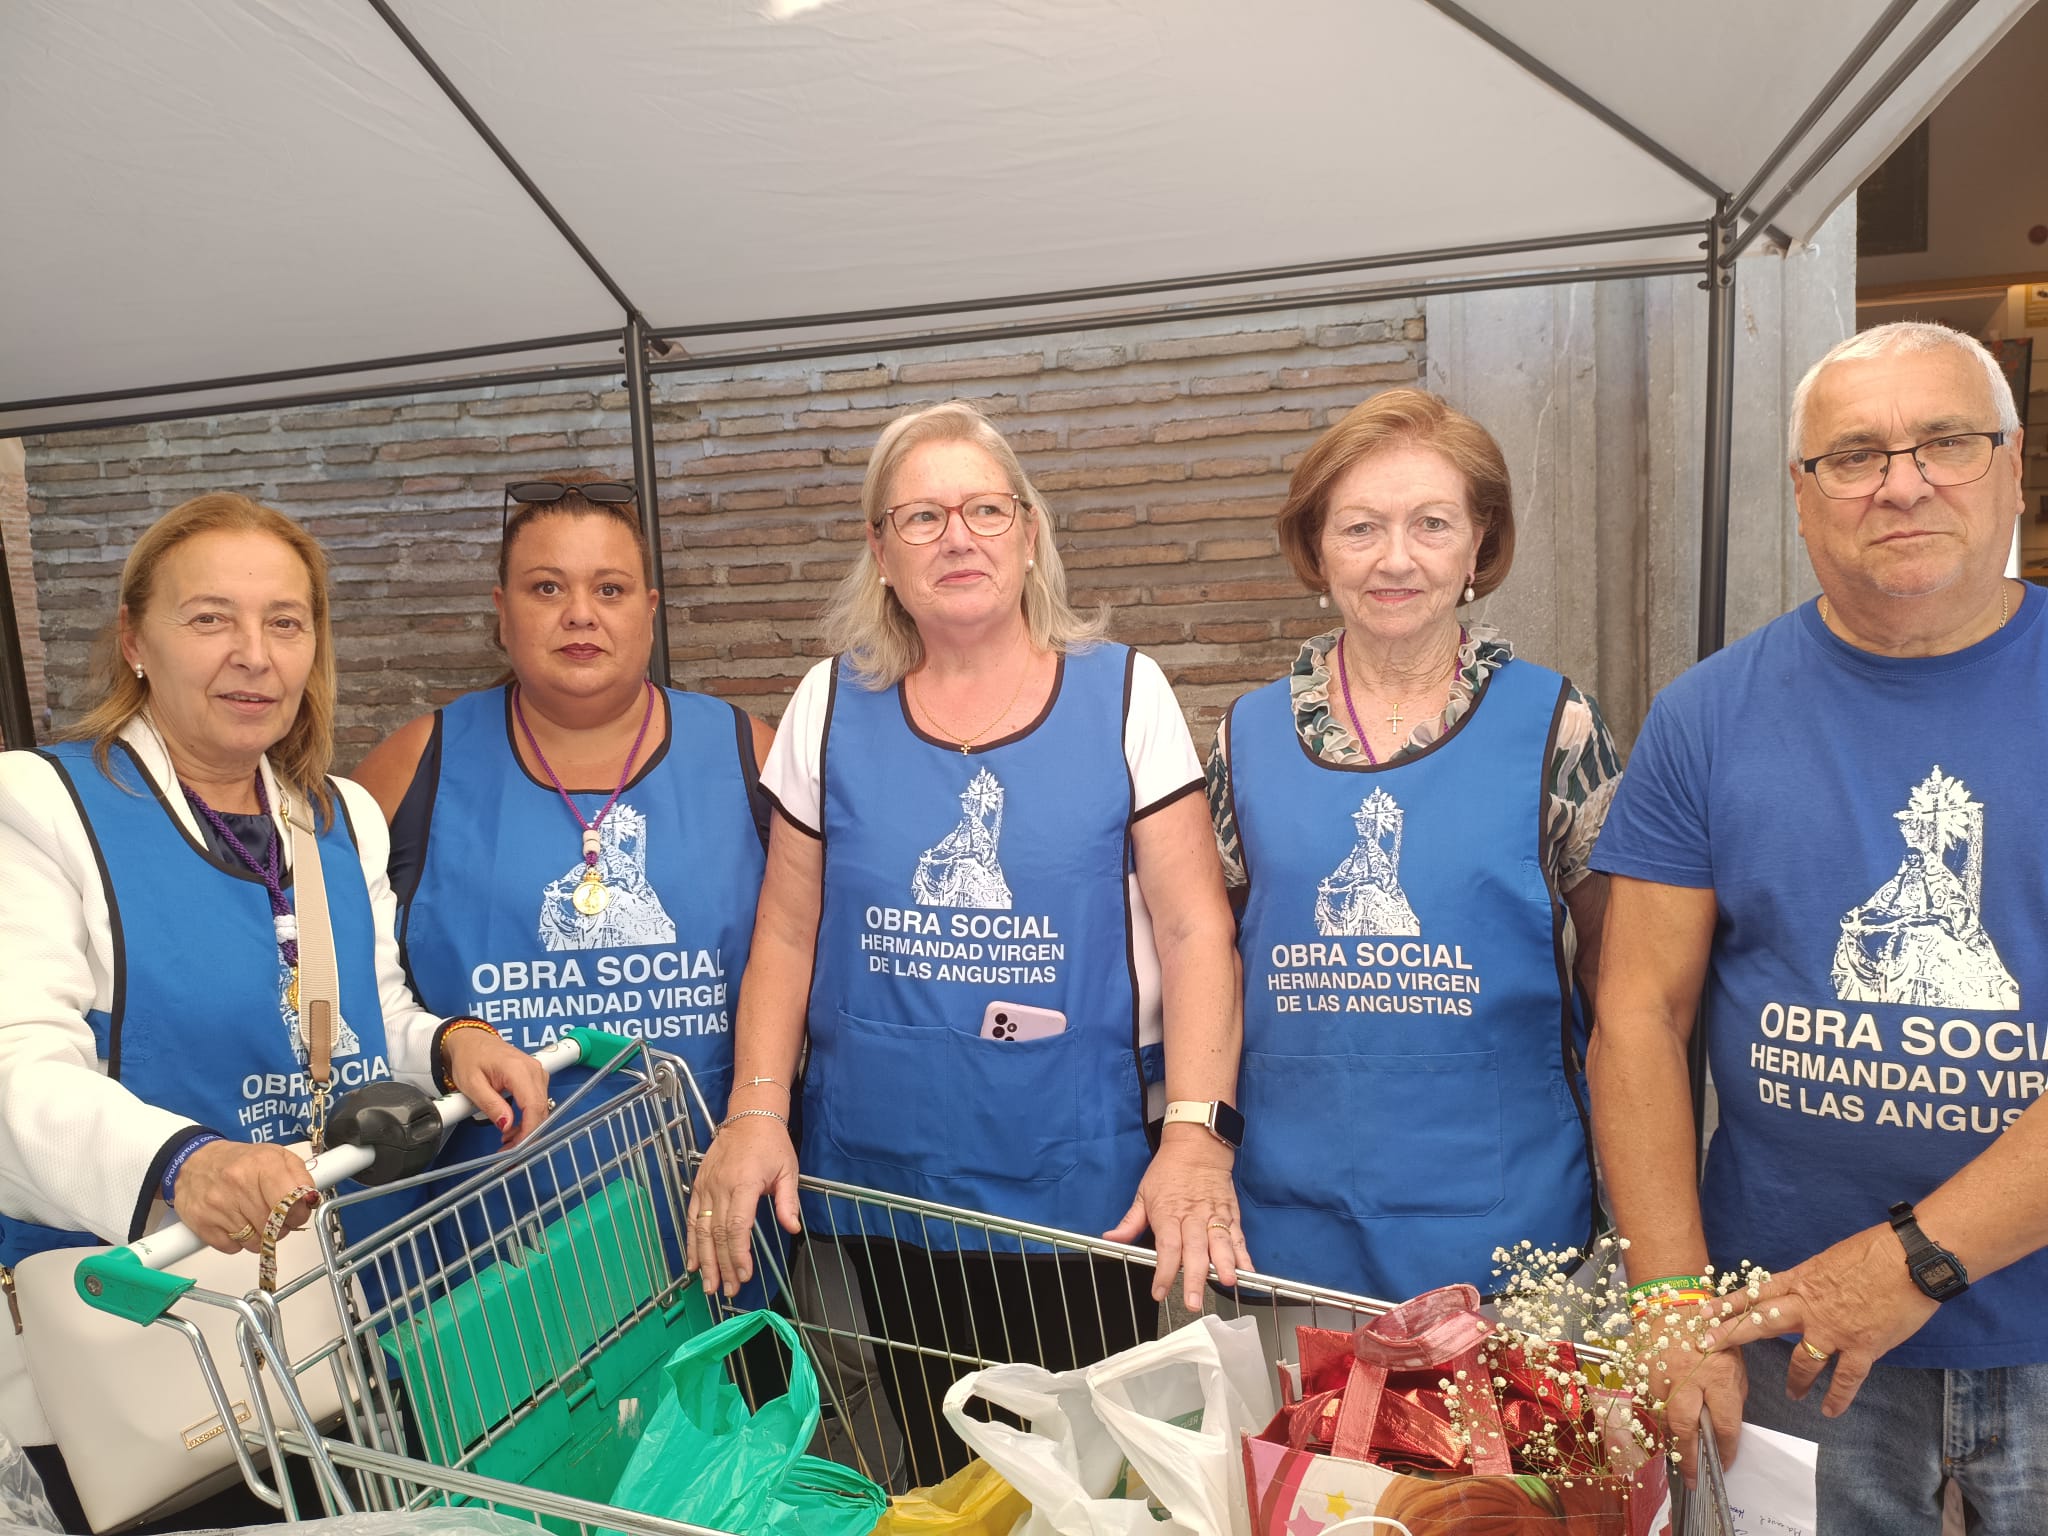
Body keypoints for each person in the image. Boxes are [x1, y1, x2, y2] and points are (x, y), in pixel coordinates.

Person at [686, 400, 1245, 1485]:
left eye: (986, 508)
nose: (958, 536)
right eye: (923, 515)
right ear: (880, 551)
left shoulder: (1123, 692)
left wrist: (1196, 1133)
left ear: (1029, 533)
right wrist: (755, 1110)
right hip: (888, 1185)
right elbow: (787, 931)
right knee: (944, 1470)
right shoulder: (827, 704)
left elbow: (1191, 928)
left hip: (1079, 1185)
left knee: (1089, 1481)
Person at [0, 493, 547, 1530]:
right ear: (135, 640)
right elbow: (15, 1066)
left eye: (284, 622)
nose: (254, 654)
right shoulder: (37, 805)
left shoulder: (337, 815)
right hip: (131, 1341)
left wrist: (449, 1043)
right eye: (210, 618)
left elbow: (356, 1018)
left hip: (308, 1315)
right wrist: (183, 1163)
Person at [1589, 321, 2047, 1533]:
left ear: (2012, 463)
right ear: (1800, 499)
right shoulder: (1703, 720)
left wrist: (1907, 1264)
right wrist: (1671, 1303)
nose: (1899, 481)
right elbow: (1639, 1012)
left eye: (1943, 441)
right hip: (1785, 1334)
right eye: (1851, 456)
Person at [1208, 388, 1619, 1303]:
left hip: (1509, 1232)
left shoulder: (1558, 726)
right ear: (1317, 548)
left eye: (1432, 524)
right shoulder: (1247, 736)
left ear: (1480, 544)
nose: (1396, 559)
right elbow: (1213, 974)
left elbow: (1621, 986)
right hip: (1287, 1225)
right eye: (1360, 528)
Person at [353, 476, 772, 1151]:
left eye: (611, 589)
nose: (581, 613)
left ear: (650, 608)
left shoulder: (749, 753)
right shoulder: (412, 766)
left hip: (706, 1197)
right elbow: (341, 983)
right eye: (546, 588)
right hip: (475, 1224)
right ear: (501, 609)